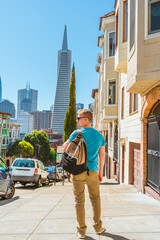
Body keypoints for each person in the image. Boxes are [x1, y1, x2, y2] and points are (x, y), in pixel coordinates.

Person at [63, 109, 106, 239]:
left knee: (79, 200)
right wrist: (100, 173)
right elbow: (102, 156)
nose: (77, 120)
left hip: (78, 171)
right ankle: (98, 227)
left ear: (86, 119)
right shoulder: (99, 135)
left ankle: (81, 231)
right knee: (95, 199)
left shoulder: (76, 133)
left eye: (78, 118)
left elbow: (65, 148)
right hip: (92, 171)